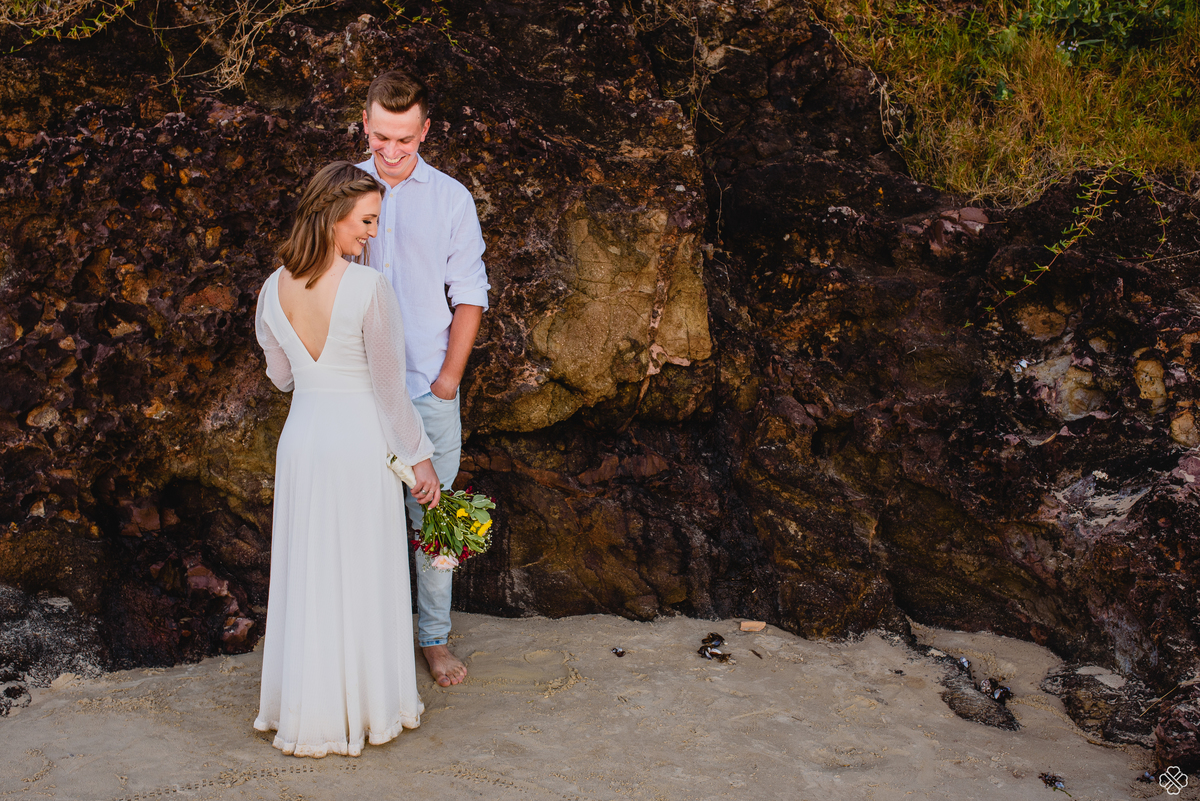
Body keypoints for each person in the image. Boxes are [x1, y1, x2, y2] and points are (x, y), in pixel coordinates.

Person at [252, 161, 442, 757]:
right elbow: (389, 391)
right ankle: (367, 707)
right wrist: (419, 460)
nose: (371, 233)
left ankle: (307, 709)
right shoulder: (367, 289)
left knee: (309, 572)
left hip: (304, 439)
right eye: (365, 221)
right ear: (334, 215)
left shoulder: (271, 288)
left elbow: (280, 376)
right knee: (360, 568)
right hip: (358, 440)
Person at [357, 69, 490, 688]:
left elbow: (470, 296)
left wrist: (445, 381)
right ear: (365, 125)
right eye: (381, 136)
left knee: (435, 523)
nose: (391, 151)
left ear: (425, 131)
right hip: (355, 391)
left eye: (405, 140)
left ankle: (434, 640)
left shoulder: (451, 198)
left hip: (425, 389)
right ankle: (368, 642)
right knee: (358, 517)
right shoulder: (343, 188)